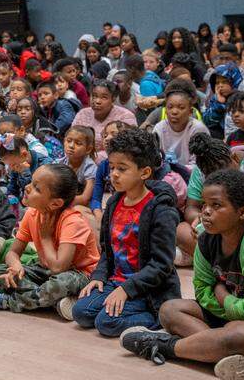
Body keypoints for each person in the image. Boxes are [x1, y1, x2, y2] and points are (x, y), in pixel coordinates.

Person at [123, 169, 244, 380]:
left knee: (236, 334)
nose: (205, 212)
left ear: (242, 212)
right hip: (230, 315)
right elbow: (202, 291)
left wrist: (221, 293)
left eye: (216, 205)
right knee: (170, 310)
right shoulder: (206, 239)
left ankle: (166, 346)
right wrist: (225, 304)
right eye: (204, 204)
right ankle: (234, 356)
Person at [71, 129, 181, 336]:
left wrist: (127, 289)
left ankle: (160, 318)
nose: (113, 174)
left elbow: (161, 265)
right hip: (117, 281)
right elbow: (107, 250)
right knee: (81, 313)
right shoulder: (113, 202)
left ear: (145, 172)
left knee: (106, 323)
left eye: (122, 169)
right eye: (112, 167)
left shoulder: (161, 210)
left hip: (148, 290)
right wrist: (100, 276)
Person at [0, 163, 100, 313]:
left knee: (61, 283)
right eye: (31, 182)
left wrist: (45, 238)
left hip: (79, 275)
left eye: (37, 188)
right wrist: (15, 266)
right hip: (46, 270)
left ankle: (8, 302)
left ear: (55, 203)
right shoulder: (32, 214)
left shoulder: (73, 222)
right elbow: (13, 253)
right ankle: (53, 302)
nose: (27, 187)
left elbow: (59, 268)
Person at [73, 79, 137, 161]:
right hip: (79, 158)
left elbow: (126, 148)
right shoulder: (83, 113)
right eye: (94, 96)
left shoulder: (125, 117)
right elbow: (73, 137)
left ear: (113, 99)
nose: (97, 101)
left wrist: (93, 158)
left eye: (104, 97)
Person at [155, 79, 210, 166]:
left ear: (190, 111)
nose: (174, 112)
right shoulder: (160, 128)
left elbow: (199, 164)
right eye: (170, 107)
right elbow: (155, 159)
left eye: (181, 107)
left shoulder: (198, 129)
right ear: (165, 110)